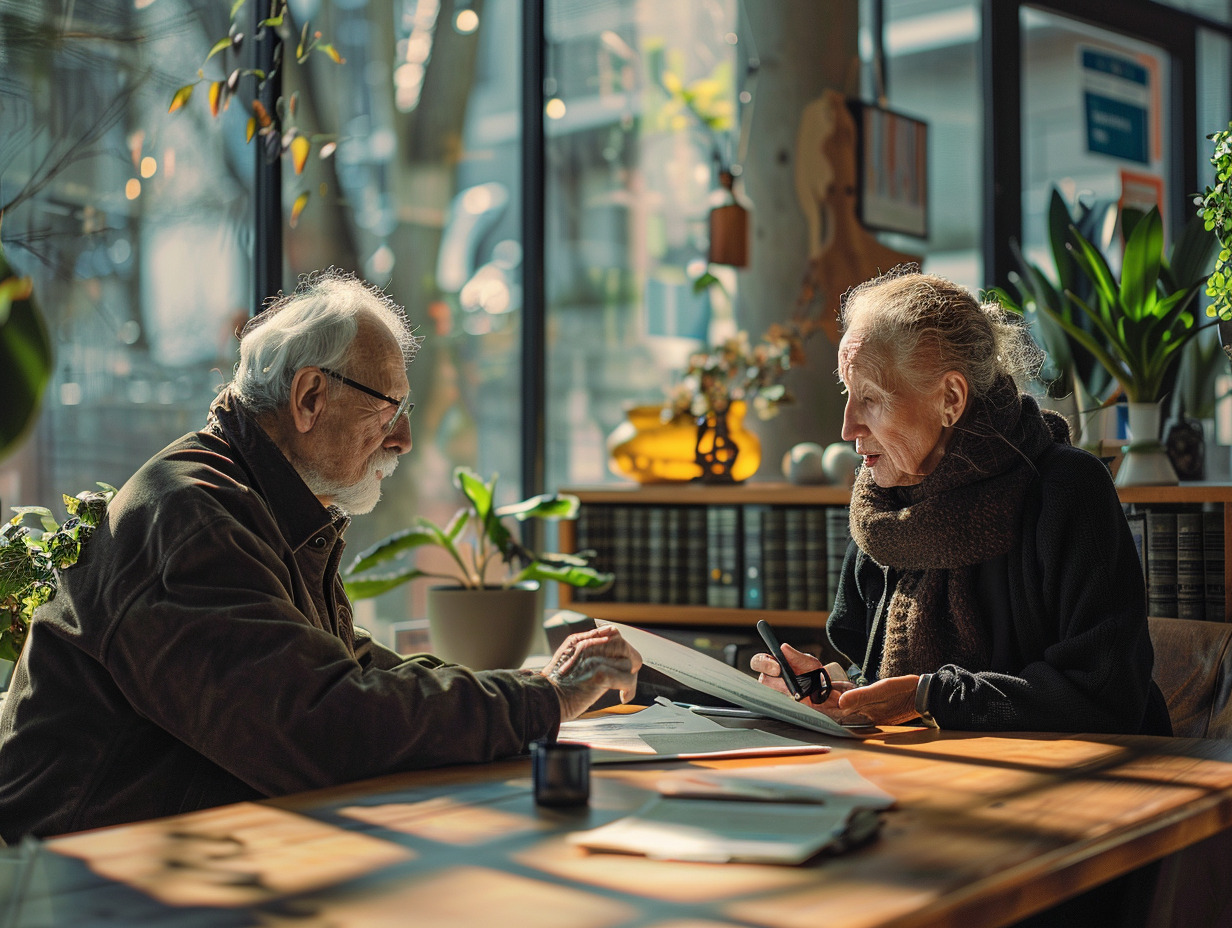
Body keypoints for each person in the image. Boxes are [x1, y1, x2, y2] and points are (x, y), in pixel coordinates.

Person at [0, 269, 641, 843]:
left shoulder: (257, 502)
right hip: (76, 884)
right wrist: (541, 702)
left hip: (157, 859)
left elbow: (348, 670)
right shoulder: (193, 516)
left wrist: (534, 691)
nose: (406, 438)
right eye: (389, 408)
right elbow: (326, 722)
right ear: (310, 397)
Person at [752, 268, 1171, 736]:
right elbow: (877, 679)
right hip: (932, 774)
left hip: (1085, 783)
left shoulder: (1066, 489)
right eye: (848, 394)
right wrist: (835, 689)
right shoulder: (882, 507)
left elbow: (1104, 694)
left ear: (950, 398)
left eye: (870, 398)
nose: (848, 427)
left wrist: (929, 697)